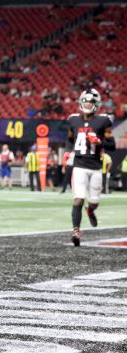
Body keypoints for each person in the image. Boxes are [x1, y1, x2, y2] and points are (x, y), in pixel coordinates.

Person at [67, 88, 115, 246]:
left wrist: (100, 142)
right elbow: (70, 138)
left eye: (92, 101)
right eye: (86, 100)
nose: (88, 103)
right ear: (81, 101)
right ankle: (76, 231)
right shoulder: (73, 120)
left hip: (95, 166)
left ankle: (90, 210)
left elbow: (112, 145)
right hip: (79, 165)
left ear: (97, 104)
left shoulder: (103, 121)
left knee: (94, 201)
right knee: (78, 198)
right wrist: (69, 151)